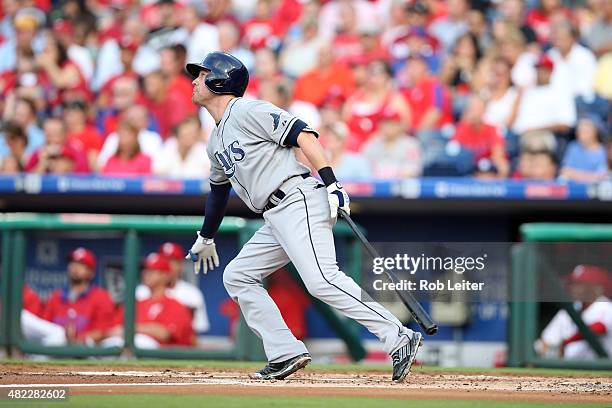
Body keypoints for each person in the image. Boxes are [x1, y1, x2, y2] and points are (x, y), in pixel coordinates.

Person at [184, 51, 422, 382]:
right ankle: (285, 351)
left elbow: (302, 134)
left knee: (322, 279)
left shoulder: (249, 109)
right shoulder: (214, 141)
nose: (194, 81)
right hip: (274, 216)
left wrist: (332, 182)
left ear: (219, 79)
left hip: (297, 199)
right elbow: (218, 193)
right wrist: (206, 236)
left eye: (201, 74)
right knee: (237, 275)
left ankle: (399, 337)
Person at [104, 253, 195, 349]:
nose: (146, 274)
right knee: (111, 344)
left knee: (141, 343)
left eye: (152, 271)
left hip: (163, 357)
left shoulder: (176, 306)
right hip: (132, 351)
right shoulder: (137, 304)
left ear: (165, 275)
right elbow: (113, 329)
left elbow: (164, 334)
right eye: (145, 270)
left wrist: (131, 329)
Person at [42, 248, 115, 345]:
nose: (75, 267)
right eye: (72, 263)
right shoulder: (56, 296)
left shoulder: (101, 296)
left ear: (91, 272)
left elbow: (104, 331)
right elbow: (44, 325)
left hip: (87, 349)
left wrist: (77, 339)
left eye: (81, 264)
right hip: (56, 345)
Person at [537, 265, 612, 360]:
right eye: (572, 284)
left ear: (594, 287)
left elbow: (599, 328)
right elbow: (547, 339)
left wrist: (567, 341)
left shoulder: (606, 307)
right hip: (569, 369)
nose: (572, 288)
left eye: (578, 284)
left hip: (600, 369)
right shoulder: (570, 309)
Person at [135, 242, 210, 334]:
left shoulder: (192, 294)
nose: (167, 265)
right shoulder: (140, 291)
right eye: (164, 260)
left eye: (172, 261)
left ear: (180, 266)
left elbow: (195, 331)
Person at [362, 109, 422, 179]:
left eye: (391, 124)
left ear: (399, 125)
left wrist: (393, 174)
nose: (387, 127)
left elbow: (413, 169)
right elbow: (364, 166)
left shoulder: (411, 144)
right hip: (377, 185)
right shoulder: (373, 143)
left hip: (402, 185)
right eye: (384, 123)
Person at [560, 115, 608, 183]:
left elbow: (602, 176)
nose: (580, 134)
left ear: (595, 132)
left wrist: (575, 175)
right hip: (572, 187)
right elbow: (564, 170)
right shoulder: (573, 147)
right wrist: (588, 176)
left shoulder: (603, 151)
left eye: (585, 131)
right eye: (579, 131)